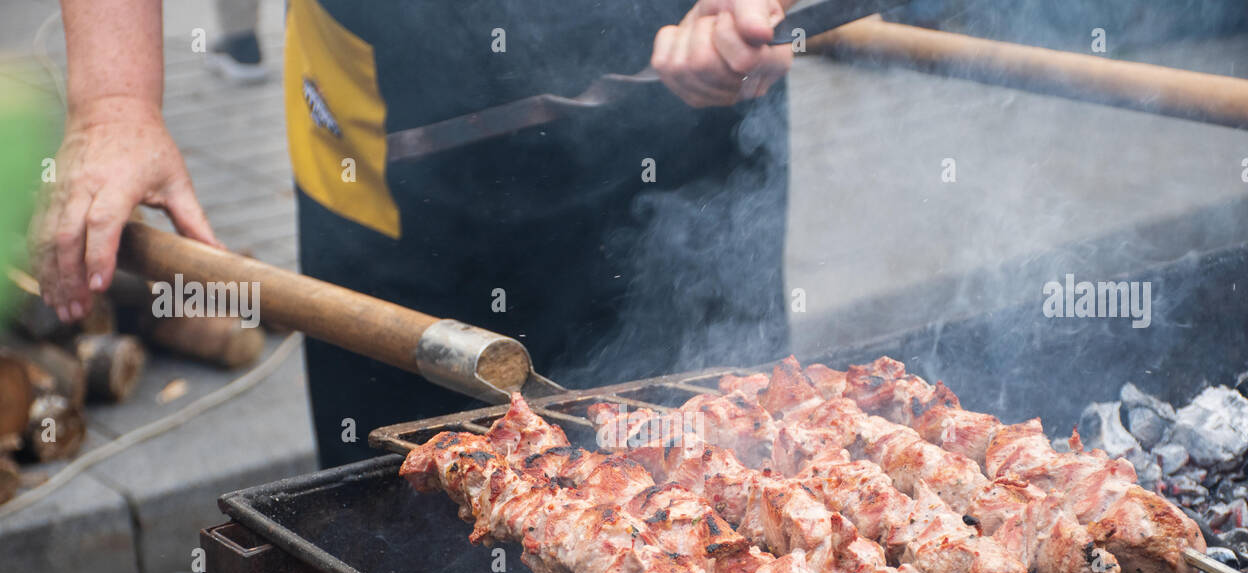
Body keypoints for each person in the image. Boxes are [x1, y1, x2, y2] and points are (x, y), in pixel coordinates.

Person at [31, 0, 796, 468]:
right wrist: (116, 99)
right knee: (402, 525)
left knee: (727, 476)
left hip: (689, 123)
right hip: (391, 156)